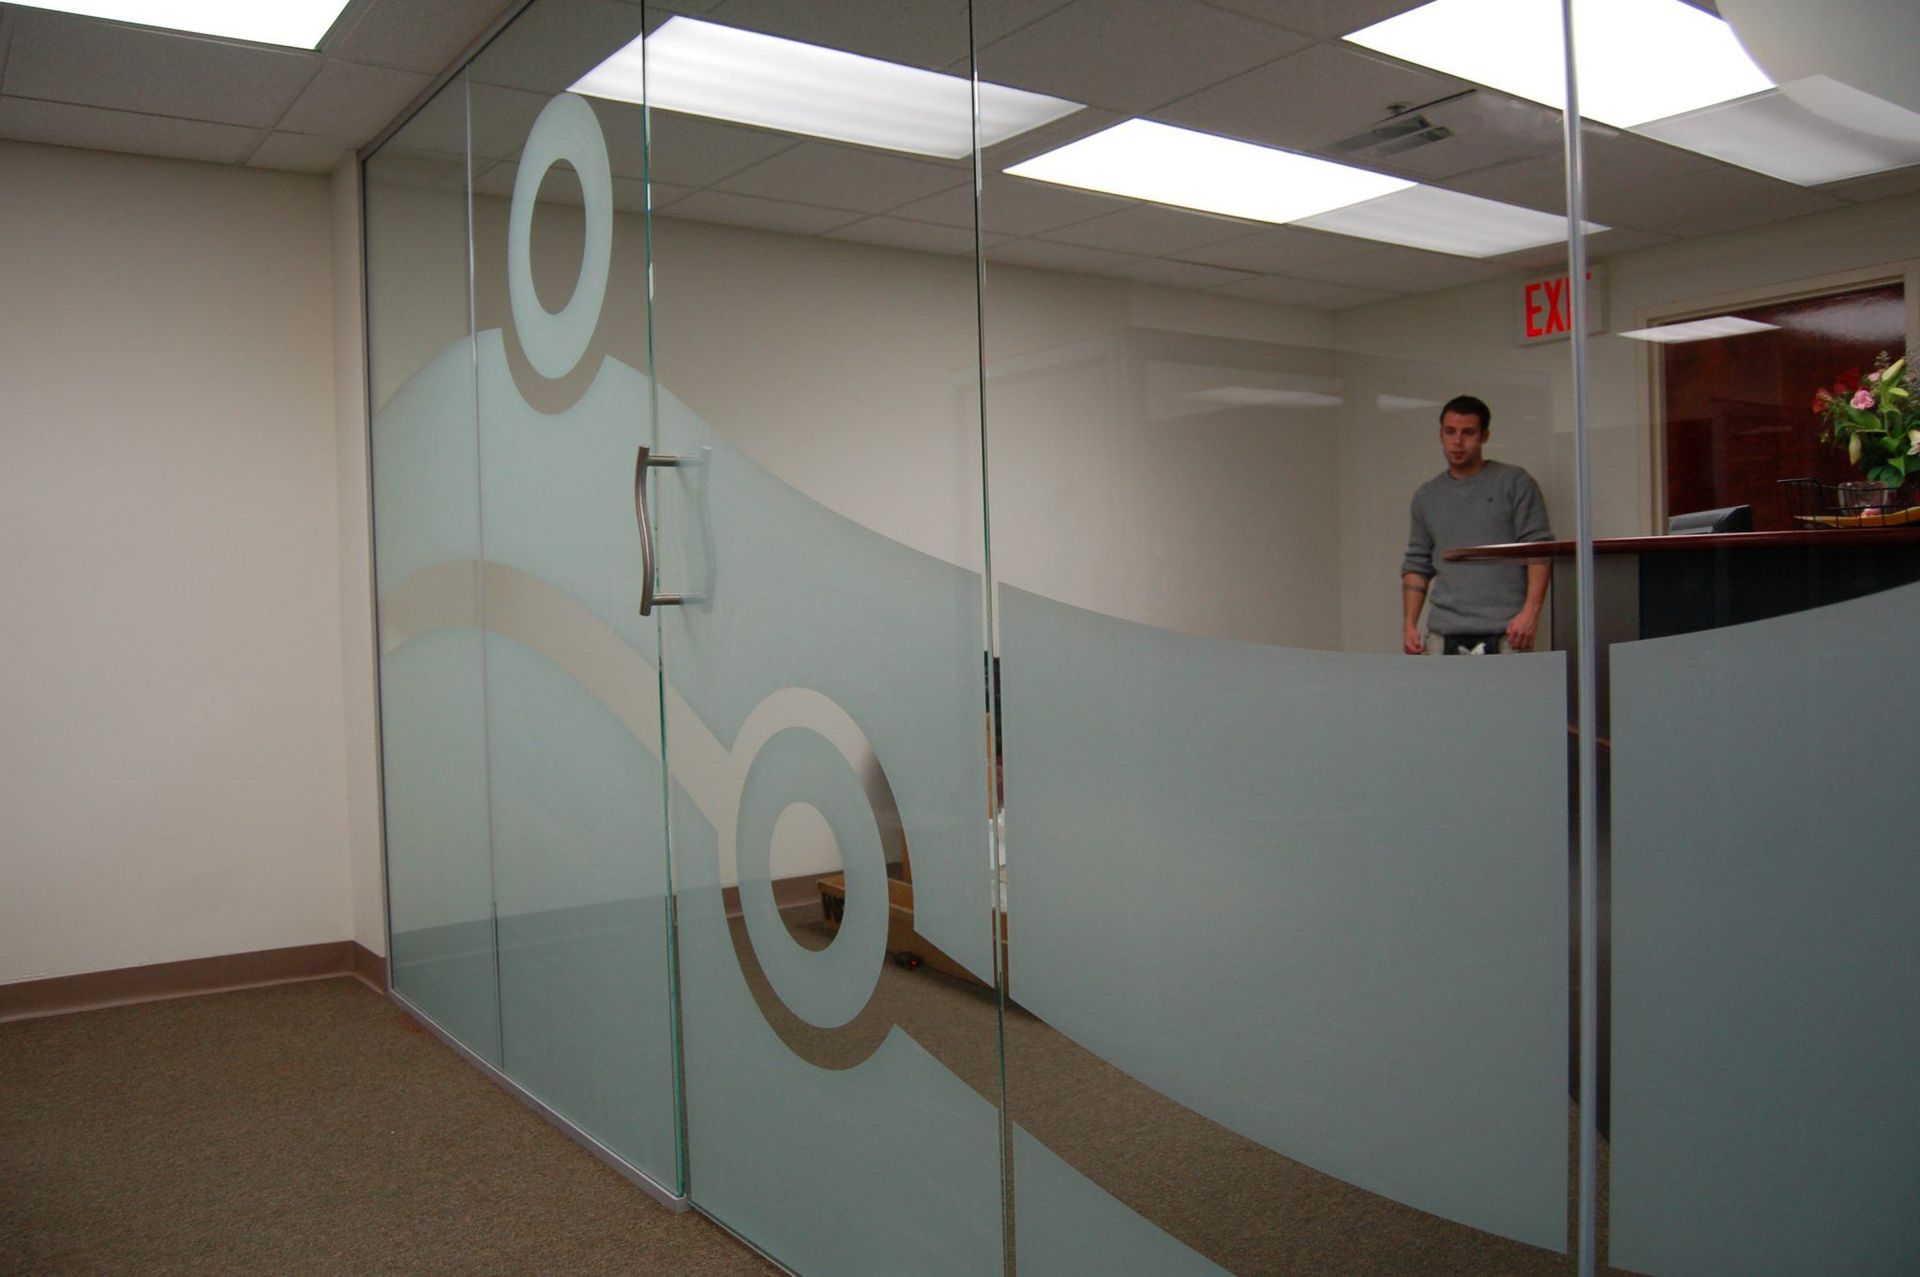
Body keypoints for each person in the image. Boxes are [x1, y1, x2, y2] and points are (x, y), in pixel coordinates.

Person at [1401, 395, 1552, 655]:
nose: (1457, 441)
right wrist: (1409, 624)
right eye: (1450, 432)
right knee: (1443, 696)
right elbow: (1417, 562)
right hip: (1443, 632)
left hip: (1506, 632)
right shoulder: (1427, 496)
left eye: (1468, 432)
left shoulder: (1515, 483)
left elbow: (1538, 549)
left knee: (1509, 696)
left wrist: (1530, 613)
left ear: (1484, 436)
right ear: (1440, 435)